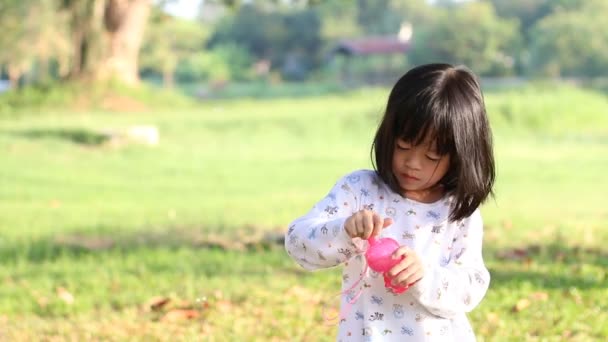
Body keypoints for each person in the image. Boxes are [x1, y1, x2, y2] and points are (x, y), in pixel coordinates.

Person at [285, 63, 495, 341]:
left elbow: (472, 286)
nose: (412, 163)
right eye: (403, 146)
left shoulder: (457, 211)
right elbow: (298, 244)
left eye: (432, 156)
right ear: (388, 134)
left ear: (459, 155)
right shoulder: (360, 190)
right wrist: (344, 230)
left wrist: (424, 275)